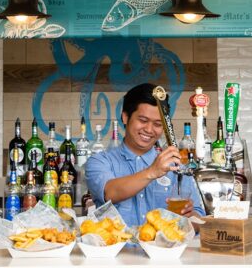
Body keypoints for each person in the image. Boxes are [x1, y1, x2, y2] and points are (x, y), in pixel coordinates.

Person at [85, 83, 205, 226]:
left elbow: (200, 220)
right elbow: (109, 192)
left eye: (158, 124)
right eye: (143, 121)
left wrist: (190, 216)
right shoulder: (100, 161)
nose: (149, 129)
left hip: (165, 241)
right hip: (117, 241)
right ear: (125, 117)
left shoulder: (176, 168)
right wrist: (152, 171)